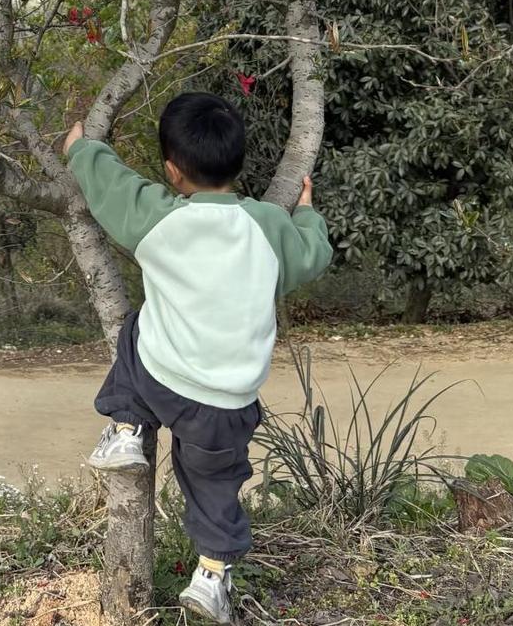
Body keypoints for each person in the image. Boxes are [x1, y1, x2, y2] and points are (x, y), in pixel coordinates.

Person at [64, 91, 331, 624]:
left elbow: (112, 185)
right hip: (226, 405)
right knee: (216, 486)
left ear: (172, 171)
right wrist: (306, 214)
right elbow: (312, 254)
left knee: (136, 329)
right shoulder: (267, 226)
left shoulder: (158, 217)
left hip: (161, 379)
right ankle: (211, 577)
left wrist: (80, 149)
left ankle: (127, 431)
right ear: (239, 163)